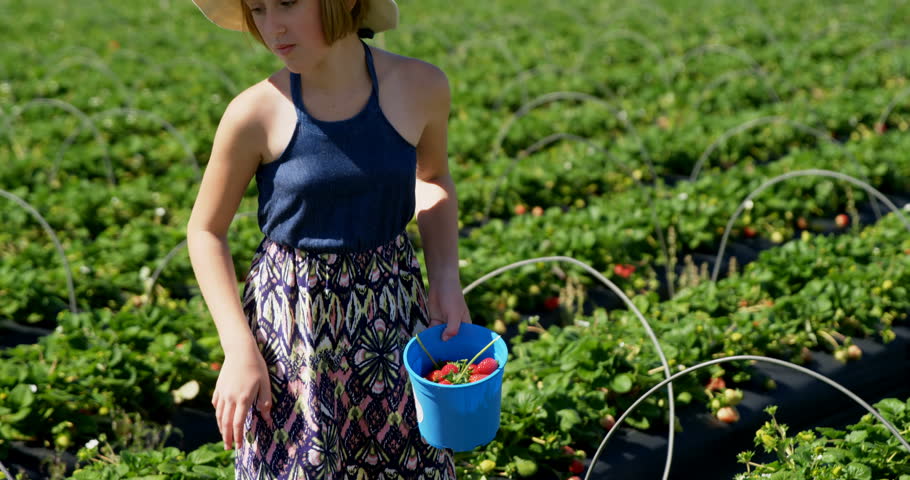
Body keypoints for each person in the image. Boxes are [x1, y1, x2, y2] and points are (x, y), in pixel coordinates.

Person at [185, 0, 470, 478]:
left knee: (406, 461)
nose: (272, 26)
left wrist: (444, 276)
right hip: (293, 325)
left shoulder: (421, 86)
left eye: (288, 3)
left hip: (392, 313)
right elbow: (205, 230)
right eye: (257, 9)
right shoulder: (255, 112)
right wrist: (238, 348)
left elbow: (433, 176)